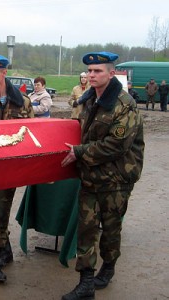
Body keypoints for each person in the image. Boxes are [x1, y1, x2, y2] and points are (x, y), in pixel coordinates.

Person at [61, 51, 144, 300]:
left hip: (117, 179)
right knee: (86, 228)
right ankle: (86, 281)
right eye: (89, 71)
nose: (92, 75)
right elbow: (82, 132)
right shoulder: (88, 100)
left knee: (110, 228)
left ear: (111, 73)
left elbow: (116, 145)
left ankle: (108, 267)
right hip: (91, 176)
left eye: (98, 71)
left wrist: (79, 152)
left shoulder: (124, 104)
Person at [0, 54, 34, 282]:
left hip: (10, 169)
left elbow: (31, 134)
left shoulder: (23, 102)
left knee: (0, 212)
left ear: (4, 73)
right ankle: (5, 250)